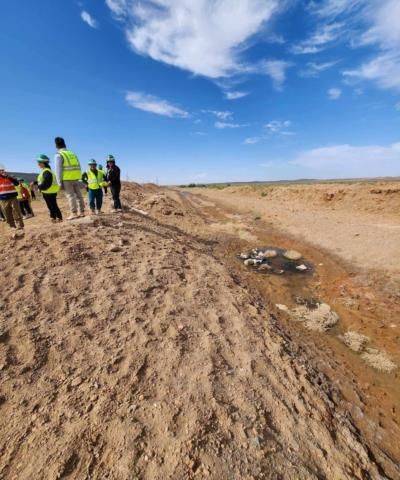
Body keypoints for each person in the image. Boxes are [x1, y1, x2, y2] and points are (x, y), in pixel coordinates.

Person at [54, 136, 85, 220]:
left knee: (71, 196)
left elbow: (58, 170)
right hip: (76, 178)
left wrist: (59, 183)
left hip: (67, 179)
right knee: (79, 195)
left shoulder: (59, 155)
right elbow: (79, 165)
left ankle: (74, 213)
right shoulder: (72, 154)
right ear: (65, 144)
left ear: (56, 145)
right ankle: (82, 212)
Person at [37, 154, 63, 223]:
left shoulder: (46, 171)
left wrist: (39, 187)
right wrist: (35, 182)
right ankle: (55, 217)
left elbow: (46, 183)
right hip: (51, 191)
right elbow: (43, 180)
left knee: (52, 205)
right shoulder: (47, 171)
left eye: (39, 162)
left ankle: (57, 218)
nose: (38, 164)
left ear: (43, 163)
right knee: (52, 205)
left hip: (48, 191)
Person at [0, 164, 24, 234]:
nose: (2, 171)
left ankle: (20, 226)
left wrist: (9, 177)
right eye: (1, 170)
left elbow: (16, 183)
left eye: (3, 170)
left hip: (13, 197)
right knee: (7, 214)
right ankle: (12, 227)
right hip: (3, 199)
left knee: (16, 211)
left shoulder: (10, 177)